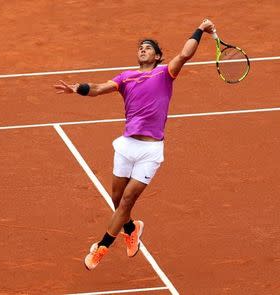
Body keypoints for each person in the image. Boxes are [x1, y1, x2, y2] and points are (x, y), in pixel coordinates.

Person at [54, 19, 216, 270]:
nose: (143, 49)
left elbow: (185, 54)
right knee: (117, 200)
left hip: (150, 151)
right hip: (127, 145)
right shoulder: (126, 77)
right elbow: (99, 88)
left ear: (158, 55)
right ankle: (131, 228)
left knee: (128, 200)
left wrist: (200, 29)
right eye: (141, 47)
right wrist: (79, 89)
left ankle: (102, 246)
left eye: (148, 47)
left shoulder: (165, 73)